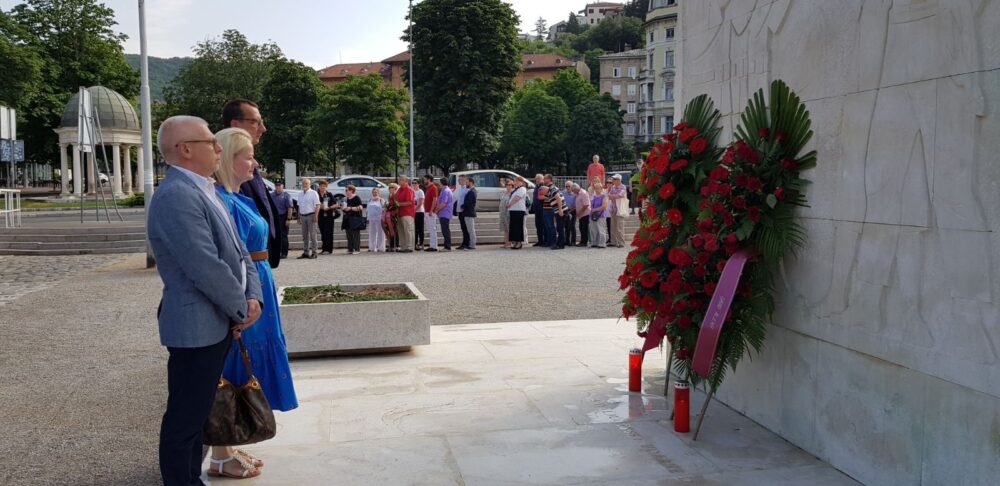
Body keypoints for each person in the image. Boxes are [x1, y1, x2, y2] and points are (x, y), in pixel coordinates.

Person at [147, 116, 263, 485]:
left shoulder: (203, 189)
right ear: (184, 149)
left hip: (217, 320)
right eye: (210, 142)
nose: (217, 148)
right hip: (196, 326)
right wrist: (240, 307)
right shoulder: (177, 195)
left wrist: (253, 296)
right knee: (186, 417)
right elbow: (204, 265)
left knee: (197, 414)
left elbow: (241, 252)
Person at [210, 127, 298, 479]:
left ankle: (228, 443)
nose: (254, 162)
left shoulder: (236, 197)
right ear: (229, 159)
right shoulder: (223, 200)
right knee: (234, 365)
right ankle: (219, 452)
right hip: (248, 292)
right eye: (247, 155)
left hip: (257, 286)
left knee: (243, 363)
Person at [223, 99, 282, 269]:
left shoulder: (247, 165)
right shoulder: (226, 169)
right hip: (246, 266)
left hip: (260, 261)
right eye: (255, 122)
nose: (263, 129)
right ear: (235, 124)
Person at [295, 178, 319, 259]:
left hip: (311, 215)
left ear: (310, 184)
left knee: (313, 235)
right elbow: (299, 206)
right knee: (304, 236)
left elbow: (318, 205)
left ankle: (314, 252)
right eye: (303, 183)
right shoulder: (300, 194)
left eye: (306, 183)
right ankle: (306, 252)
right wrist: (298, 216)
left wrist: (316, 215)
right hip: (302, 215)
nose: (304, 185)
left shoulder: (314, 193)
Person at [316, 180, 339, 255]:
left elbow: (336, 205)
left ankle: (329, 250)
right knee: (323, 233)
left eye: (324, 186)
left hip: (329, 216)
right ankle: (324, 249)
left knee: (328, 233)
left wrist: (329, 207)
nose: (322, 187)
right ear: (319, 187)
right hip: (320, 216)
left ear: (326, 187)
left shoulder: (329, 194)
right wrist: (320, 206)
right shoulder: (316, 194)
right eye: (321, 186)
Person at [395, 175, 416, 252]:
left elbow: (409, 202)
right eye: (399, 179)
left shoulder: (408, 190)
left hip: (407, 213)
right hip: (400, 213)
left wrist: (399, 204)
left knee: (408, 230)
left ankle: (409, 247)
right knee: (401, 230)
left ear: (405, 181)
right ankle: (403, 246)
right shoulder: (399, 189)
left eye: (401, 180)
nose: (399, 181)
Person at [506, 177, 528, 249]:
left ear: (520, 181)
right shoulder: (516, 189)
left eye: (516, 181)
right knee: (513, 227)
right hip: (513, 210)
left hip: (519, 210)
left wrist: (510, 204)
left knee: (518, 227)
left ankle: (519, 242)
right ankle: (514, 242)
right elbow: (512, 197)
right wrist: (508, 203)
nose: (515, 182)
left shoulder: (522, 189)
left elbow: (517, 198)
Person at [272, 182, 292, 258]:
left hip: (283, 217)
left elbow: (290, 208)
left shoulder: (286, 195)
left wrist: (288, 219)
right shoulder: (272, 195)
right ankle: (277, 252)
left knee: (284, 236)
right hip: (275, 217)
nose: (278, 187)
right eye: (276, 186)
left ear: (282, 186)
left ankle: (284, 253)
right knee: (276, 236)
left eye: (279, 186)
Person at [342, 185, 364, 255]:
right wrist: (342, 207)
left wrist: (351, 208)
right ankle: (350, 248)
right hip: (347, 218)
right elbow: (344, 207)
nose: (345, 192)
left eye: (346, 190)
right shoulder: (346, 198)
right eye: (345, 190)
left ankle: (357, 249)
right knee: (349, 234)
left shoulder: (356, 197)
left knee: (356, 234)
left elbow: (360, 207)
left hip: (355, 218)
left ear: (351, 190)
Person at [609, 173, 628, 248]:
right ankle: (614, 242)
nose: (613, 180)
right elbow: (609, 196)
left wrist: (613, 196)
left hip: (620, 209)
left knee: (620, 227)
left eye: (614, 179)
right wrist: (615, 196)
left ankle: (621, 243)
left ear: (619, 180)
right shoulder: (613, 187)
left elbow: (621, 195)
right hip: (613, 209)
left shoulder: (623, 187)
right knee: (613, 227)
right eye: (613, 179)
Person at [435, 177, 454, 251]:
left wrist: (437, 210)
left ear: (441, 183)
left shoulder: (446, 191)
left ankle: (447, 246)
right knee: (445, 230)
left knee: (445, 230)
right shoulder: (445, 190)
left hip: (445, 213)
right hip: (444, 213)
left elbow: (443, 204)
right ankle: (446, 246)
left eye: (439, 182)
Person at [590, 181, 610, 248]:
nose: (597, 189)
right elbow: (591, 205)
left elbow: (604, 207)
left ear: (601, 188)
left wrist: (595, 210)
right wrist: (592, 209)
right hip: (593, 215)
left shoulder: (604, 196)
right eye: (596, 188)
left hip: (601, 215)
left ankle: (602, 243)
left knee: (601, 229)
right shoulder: (594, 196)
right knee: (594, 229)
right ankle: (594, 242)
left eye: (598, 188)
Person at [459, 176, 477, 250]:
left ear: (471, 182)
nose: (466, 184)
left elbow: (468, 203)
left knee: (471, 230)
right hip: (467, 212)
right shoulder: (470, 191)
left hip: (469, 212)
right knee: (469, 229)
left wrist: (462, 206)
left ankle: (472, 245)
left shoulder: (472, 191)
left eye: (467, 182)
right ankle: (470, 244)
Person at [422, 174, 439, 252]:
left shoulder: (433, 188)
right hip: (427, 211)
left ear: (429, 179)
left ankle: (434, 246)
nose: (424, 181)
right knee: (430, 229)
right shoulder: (428, 188)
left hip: (430, 212)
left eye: (425, 179)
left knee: (432, 229)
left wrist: (431, 210)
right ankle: (432, 245)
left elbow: (435, 200)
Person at [366, 187, 386, 252]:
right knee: (372, 233)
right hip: (371, 218)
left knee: (380, 233)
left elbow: (384, 209)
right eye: (373, 192)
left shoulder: (381, 200)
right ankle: (371, 247)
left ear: (379, 193)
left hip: (379, 218)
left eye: (376, 192)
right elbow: (367, 210)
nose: (374, 193)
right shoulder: (369, 200)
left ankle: (381, 247)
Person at [531, 174, 546, 246]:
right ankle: (540, 241)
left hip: (542, 209)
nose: (537, 180)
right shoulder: (536, 187)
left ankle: (544, 241)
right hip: (537, 210)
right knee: (538, 226)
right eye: (536, 179)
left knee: (543, 226)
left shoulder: (543, 187)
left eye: (539, 179)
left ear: (542, 179)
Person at [384, 183, 399, 252]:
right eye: (389, 187)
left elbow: (397, 205)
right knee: (390, 230)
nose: (390, 189)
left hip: (394, 214)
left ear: (395, 188)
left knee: (395, 230)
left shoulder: (396, 195)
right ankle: (391, 245)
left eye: (391, 187)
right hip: (390, 214)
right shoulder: (389, 195)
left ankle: (396, 245)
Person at [499, 179, 513, 248]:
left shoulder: (512, 193)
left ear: (512, 186)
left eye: (509, 185)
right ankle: (505, 242)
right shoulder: (504, 193)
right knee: (505, 229)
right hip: (502, 212)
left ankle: (510, 243)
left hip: (508, 212)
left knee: (509, 228)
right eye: (507, 185)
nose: (508, 186)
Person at [562, 180, 577, 248]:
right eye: (566, 186)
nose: (567, 187)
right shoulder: (563, 193)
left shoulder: (575, 194)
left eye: (569, 186)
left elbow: (576, 204)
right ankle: (566, 241)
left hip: (573, 211)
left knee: (572, 226)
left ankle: (573, 241)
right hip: (565, 211)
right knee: (566, 227)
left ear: (572, 187)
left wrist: (571, 210)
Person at [413, 180, 425, 250]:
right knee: (415, 229)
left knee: (420, 228)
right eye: (413, 183)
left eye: (416, 183)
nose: (414, 184)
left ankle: (421, 243)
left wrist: (415, 209)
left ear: (418, 184)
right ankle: (415, 243)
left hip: (420, 212)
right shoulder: (412, 191)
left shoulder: (420, 191)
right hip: (414, 212)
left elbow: (420, 203)